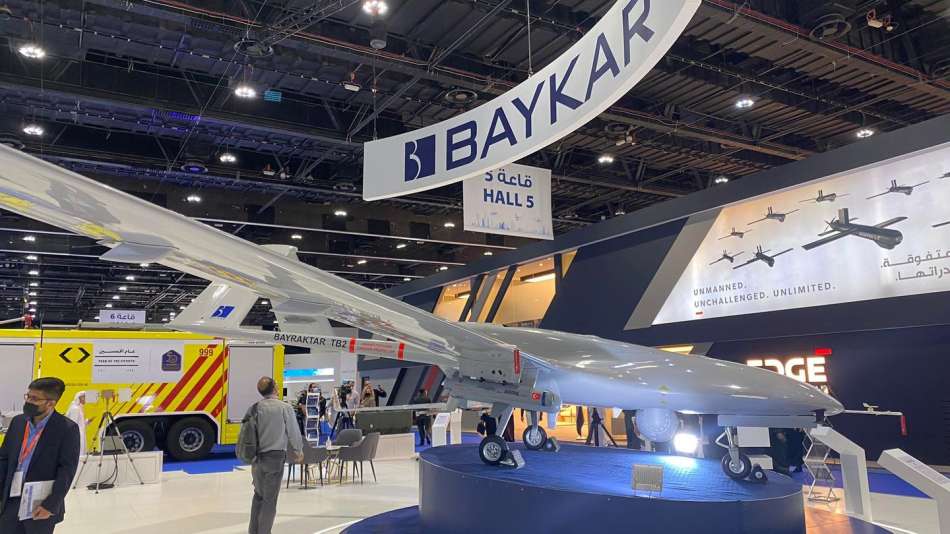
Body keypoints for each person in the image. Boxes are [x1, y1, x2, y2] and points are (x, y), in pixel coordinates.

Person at [0, 377, 80, 534]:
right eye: (28, 396)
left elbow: (66, 471)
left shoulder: (67, 429)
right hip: (10, 500)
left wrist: (51, 505)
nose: (28, 401)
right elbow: (4, 457)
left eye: (35, 399)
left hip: (40, 505)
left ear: (51, 403)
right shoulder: (18, 422)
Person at [246, 377, 303, 534]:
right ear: (275, 388)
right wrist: (298, 450)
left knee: (258, 496)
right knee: (269, 500)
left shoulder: (254, 408)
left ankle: (253, 531)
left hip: (256, 459)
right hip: (275, 458)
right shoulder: (284, 408)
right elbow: (293, 431)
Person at [65, 391, 91, 456]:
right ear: (80, 398)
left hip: (80, 433)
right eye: (84, 397)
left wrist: (87, 421)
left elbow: (80, 423)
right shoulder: (75, 409)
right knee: (78, 453)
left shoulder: (79, 408)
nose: (86, 399)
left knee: (81, 452)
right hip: (76, 435)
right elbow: (73, 423)